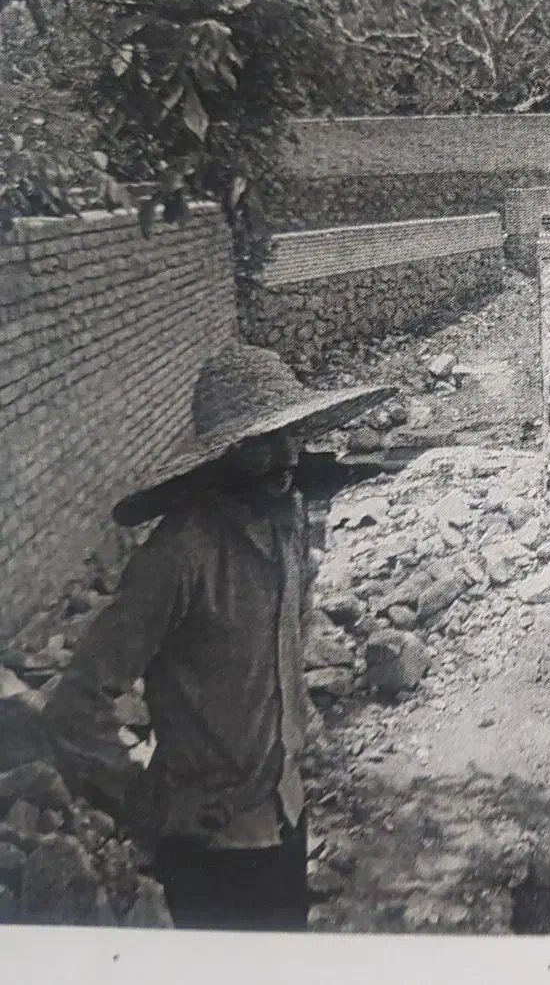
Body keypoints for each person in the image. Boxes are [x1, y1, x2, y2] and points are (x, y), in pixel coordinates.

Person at [44, 342, 393, 931]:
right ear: (219, 457)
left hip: (284, 815)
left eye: (291, 435)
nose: (286, 457)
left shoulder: (285, 521)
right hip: (212, 850)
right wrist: (146, 802)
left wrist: (294, 736)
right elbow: (74, 705)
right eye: (261, 443)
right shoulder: (178, 557)